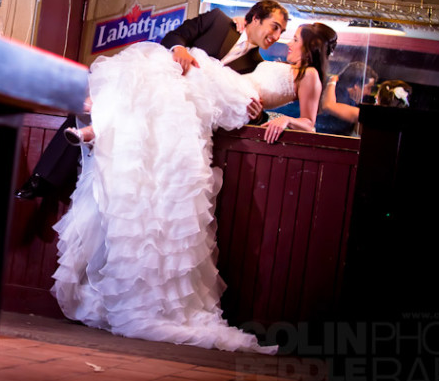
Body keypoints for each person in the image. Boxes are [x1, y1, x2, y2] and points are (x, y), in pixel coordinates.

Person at [51, 23, 337, 354]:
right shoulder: (280, 63)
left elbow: (309, 121)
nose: (287, 41)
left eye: (295, 37)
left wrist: (282, 119)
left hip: (238, 97)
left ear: (310, 45)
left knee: (161, 74)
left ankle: (98, 128)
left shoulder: (311, 75)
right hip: (229, 89)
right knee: (156, 76)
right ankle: (99, 127)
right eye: (281, 30)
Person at [16, 0, 288, 198]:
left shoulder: (255, 65)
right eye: (274, 27)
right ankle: (45, 177)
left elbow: (249, 104)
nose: (276, 37)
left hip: (177, 122)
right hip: (159, 84)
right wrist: (179, 49)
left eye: (281, 33)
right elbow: (174, 35)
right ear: (255, 19)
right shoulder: (218, 20)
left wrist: (257, 114)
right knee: (107, 96)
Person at [318, 62, 377, 136]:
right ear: (356, 85)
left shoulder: (333, 93)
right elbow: (328, 106)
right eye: (369, 88)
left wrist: (332, 81)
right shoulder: (340, 98)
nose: (369, 93)